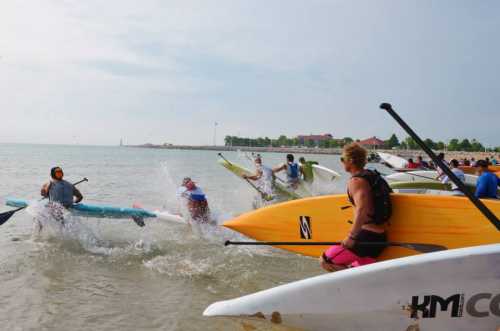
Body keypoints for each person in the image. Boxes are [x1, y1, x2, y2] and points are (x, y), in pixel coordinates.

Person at [320, 143, 392, 272]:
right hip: (380, 237)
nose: (342, 162)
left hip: (366, 238)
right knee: (357, 272)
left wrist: (352, 237)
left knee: (326, 261)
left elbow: (362, 209)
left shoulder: (357, 181)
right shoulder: (373, 176)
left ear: (351, 161)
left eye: (342, 159)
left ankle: (352, 289)